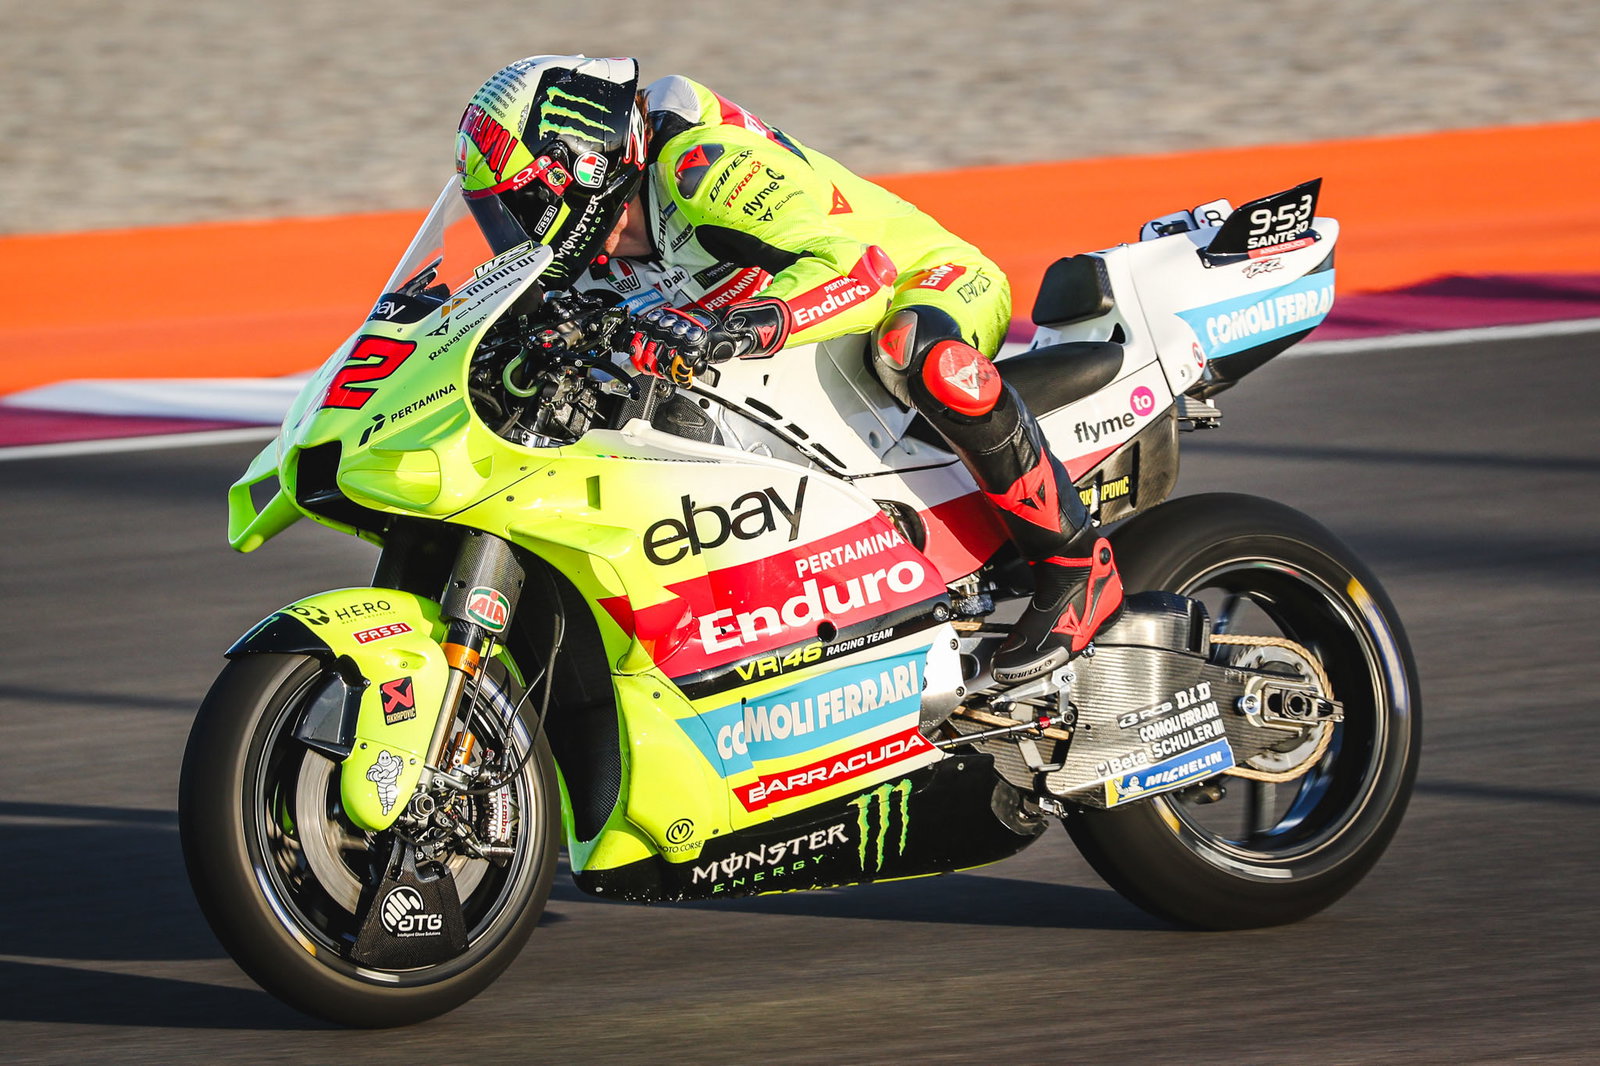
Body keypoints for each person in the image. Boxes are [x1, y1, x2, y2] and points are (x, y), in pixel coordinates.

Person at [455, 55, 1122, 683]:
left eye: (516, 207)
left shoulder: (700, 166)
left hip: (924, 282)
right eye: (493, 214)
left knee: (916, 355)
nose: (511, 232)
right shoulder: (596, 259)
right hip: (799, 353)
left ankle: (1073, 562)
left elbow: (859, 274)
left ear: (581, 169)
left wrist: (742, 328)